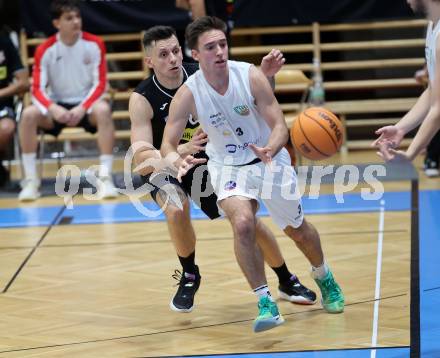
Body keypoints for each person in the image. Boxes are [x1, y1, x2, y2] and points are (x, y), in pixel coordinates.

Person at [161, 16, 344, 332]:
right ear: (195, 54)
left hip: (269, 160)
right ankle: (265, 302)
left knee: (297, 231)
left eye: (222, 44)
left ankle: (324, 275)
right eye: (210, 47)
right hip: (227, 167)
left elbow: (279, 125)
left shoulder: (249, 76)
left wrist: (270, 148)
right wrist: (175, 159)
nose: (219, 51)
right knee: (243, 223)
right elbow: (167, 143)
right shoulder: (188, 93)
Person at [129, 25, 316, 314]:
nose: (172, 59)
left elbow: (251, 99)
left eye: (176, 51)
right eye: (163, 54)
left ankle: (285, 279)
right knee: (176, 207)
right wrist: (178, 154)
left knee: (245, 220)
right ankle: (189, 275)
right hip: (161, 164)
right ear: (150, 62)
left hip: (208, 159)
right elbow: (140, 156)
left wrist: (266, 76)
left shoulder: (202, 73)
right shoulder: (142, 98)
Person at [18, 0, 118, 201]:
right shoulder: (44, 49)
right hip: (57, 105)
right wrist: (53, 109)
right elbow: (37, 88)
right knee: (28, 115)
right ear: (57, 24)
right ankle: (30, 181)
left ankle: (106, 178)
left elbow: (100, 84)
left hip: (86, 105)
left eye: (78, 17)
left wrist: (82, 108)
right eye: (69, 18)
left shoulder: (95, 43)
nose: (76, 22)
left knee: (104, 111)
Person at [373, 0, 440, 165]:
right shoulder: (433, 27)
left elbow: (438, 108)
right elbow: (433, 91)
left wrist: (410, 154)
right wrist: (401, 128)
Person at [0, 30, 29, 187]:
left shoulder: (4, 42)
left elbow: (24, 83)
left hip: (2, 103)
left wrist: (2, 92)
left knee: (5, 128)